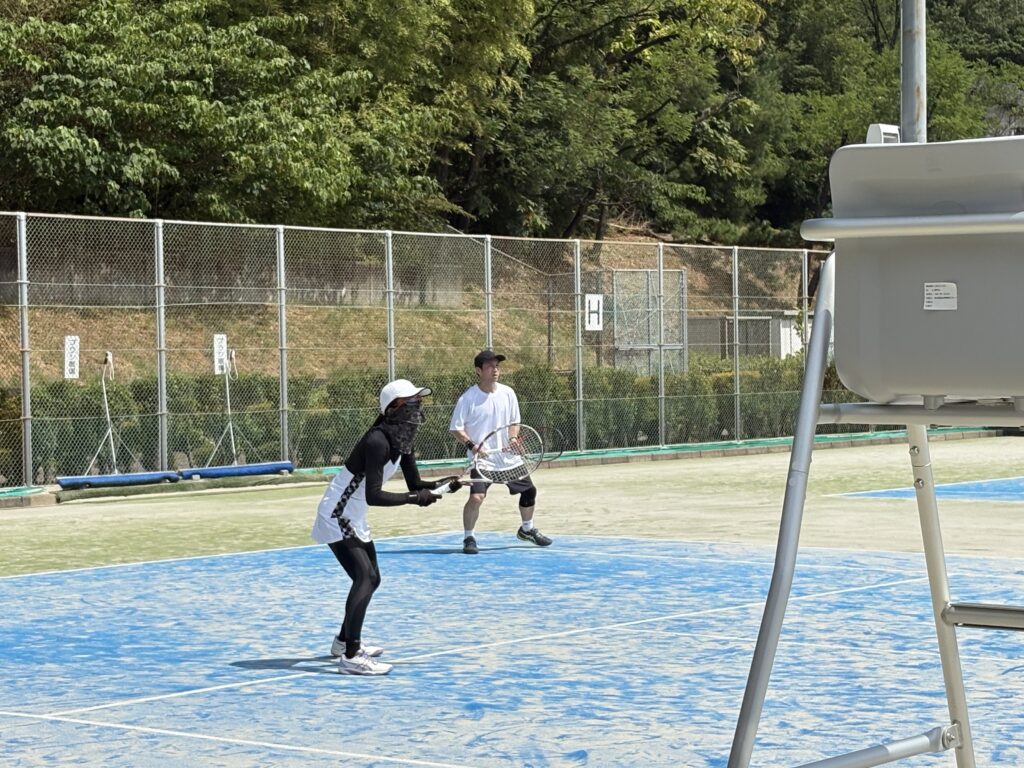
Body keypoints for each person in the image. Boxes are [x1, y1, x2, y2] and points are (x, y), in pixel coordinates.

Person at [312, 379, 461, 675]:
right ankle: (351, 656)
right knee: (365, 577)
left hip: (353, 516)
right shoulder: (377, 441)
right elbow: (374, 495)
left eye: (419, 402)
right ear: (394, 408)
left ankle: (343, 642)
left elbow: (415, 484)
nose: (418, 407)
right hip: (337, 513)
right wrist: (415, 499)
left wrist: (442, 485)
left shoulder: (403, 440)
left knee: (373, 578)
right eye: (412, 402)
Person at [449, 349, 552, 555]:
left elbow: (514, 422)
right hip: (483, 461)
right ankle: (469, 537)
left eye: (497, 366)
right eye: (490, 366)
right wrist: (472, 446)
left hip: (509, 459)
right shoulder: (468, 398)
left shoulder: (508, 393)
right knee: (477, 497)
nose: (495, 370)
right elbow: (456, 429)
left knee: (529, 491)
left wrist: (513, 438)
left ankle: (527, 529)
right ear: (478, 371)